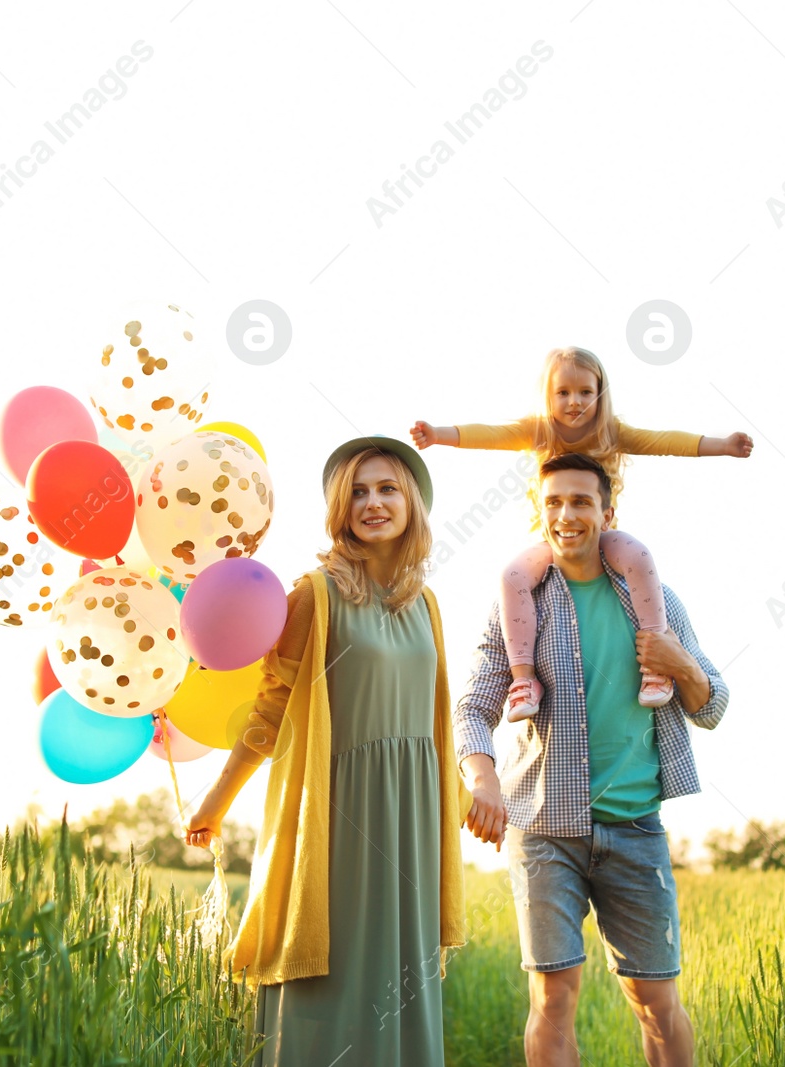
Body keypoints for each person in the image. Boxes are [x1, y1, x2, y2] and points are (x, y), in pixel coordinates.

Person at [184, 435, 472, 1066]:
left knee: (402, 977)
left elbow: (436, 720)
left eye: (387, 488)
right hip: (341, 814)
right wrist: (216, 799)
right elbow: (270, 710)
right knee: (334, 972)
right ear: (340, 511)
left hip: (414, 816)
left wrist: (464, 792)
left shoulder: (427, 605)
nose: (373, 503)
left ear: (413, 502)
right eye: (357, 493)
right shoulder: (314, 595)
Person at [453, 452, 729, 1067]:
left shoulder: (652, 598)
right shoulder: (518, 604)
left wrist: (677, 661)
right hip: (545, 831)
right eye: (553, 502)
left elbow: (713, 705)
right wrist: (484, 779)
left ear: (608, 512)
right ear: (538, 511)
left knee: (655, 999)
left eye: (580, 501)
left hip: (636, 828)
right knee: (552, 996)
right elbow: (472, 708)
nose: (566, 514)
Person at [411, 345, 750, 720]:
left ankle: (655, 665)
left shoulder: (612, 433)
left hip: (602, 539)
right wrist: (438, 434)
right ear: (549, 395)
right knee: (513, 575)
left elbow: (664, 441)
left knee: (637, 556)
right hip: (555, 540)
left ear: (600, 395)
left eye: (586, 392)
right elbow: (491, 433)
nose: (575, 402)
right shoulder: (538, 430)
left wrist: (723, 446)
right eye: (563, 392)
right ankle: (524, 679)